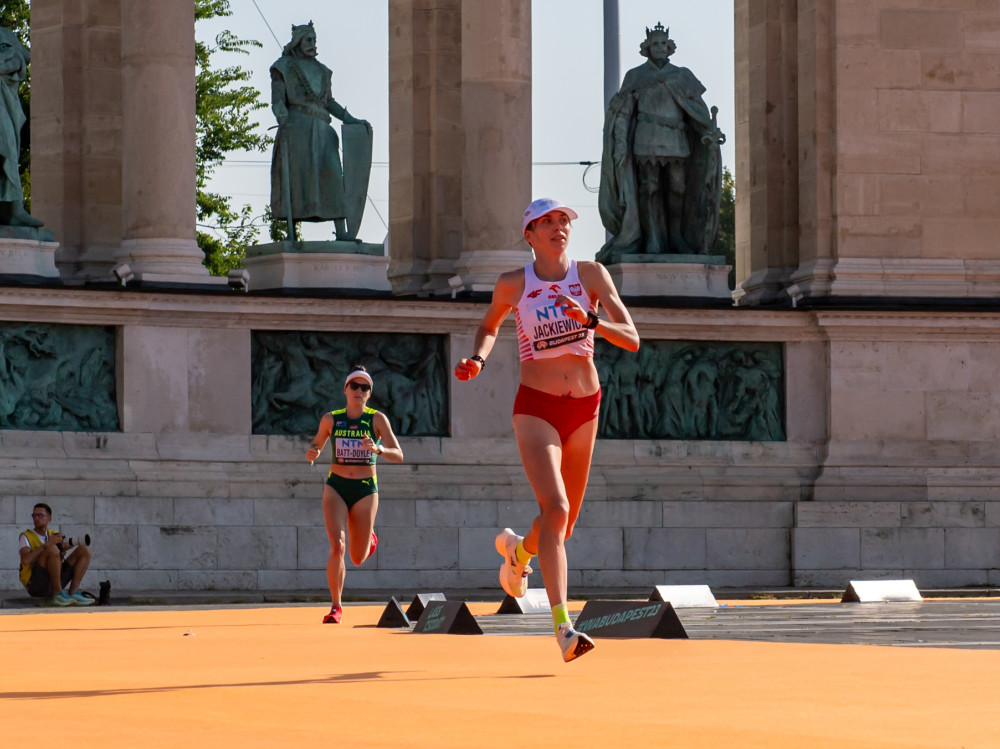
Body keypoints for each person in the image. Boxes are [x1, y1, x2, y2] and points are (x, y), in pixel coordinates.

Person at [454, 198, 640, 662]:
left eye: (564, 221)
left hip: (586, 408)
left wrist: (589, 319)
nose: (558, 228)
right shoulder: (514, 284)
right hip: (536, 409)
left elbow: (632, 339)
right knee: (554, 508)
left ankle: (518, 553)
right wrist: (478, 358)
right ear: (529, 235)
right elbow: (489, 326)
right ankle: (564, 628)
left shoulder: (592, 275)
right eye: (547, 222)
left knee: (563, 524)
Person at [598, 22, 724, 260]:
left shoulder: (682, 75)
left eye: (663, 44)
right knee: (650, 189)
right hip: (646, 139)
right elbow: (623, 113)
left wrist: (708, 131)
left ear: (669, 48)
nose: (659, 47)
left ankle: (676, 237)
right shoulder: (636, 76)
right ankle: (654, 239)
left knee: (678, 189)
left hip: (676, 139)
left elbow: (696, 110)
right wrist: (621, 145)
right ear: (647, 48)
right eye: (655, 44)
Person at [306, 365, 403, 624]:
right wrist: (313, 451)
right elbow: (317, 442)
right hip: (336, 486)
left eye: (365, 387)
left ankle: (369, 538)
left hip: (365, 490)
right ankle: (336, 606)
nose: (359, 391)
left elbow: (399, 454)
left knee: (357, 558)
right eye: (355, 386)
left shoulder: (377, 419)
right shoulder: (331, 419)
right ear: (345, 389)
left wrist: (378, 449)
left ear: (369, 393)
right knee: (337, 545)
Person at [270, 21, 371, 241]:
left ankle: (342, 231)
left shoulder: (323, 71)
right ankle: (291, 232)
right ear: (297, 42)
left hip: (324, 132)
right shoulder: (283, 67)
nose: (312, 44)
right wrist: (282, 116)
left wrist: (351, 119)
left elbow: (329, 102)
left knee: (333, 176)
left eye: (314, 40)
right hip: (296, 130)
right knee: (297, 179)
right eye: (308, 40)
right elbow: (277, 100)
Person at [0, 26, 43, 228]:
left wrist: (11, 58)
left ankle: (14, 210)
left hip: (4, 102)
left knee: (7, 145)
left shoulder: (5, 33)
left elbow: (22, 55)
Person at [17, 503, 93, 606]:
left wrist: (62, 551)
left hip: (52, 582)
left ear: (49, 519)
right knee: (51, 548)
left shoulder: (53, 534)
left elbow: (57, 562)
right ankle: (58, 594)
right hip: (36, 585)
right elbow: (25, 559)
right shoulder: (26, 536)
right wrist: (46, 545)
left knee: (84, 549)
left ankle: (73, 593)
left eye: (40, 515)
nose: (36, 518)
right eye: (34, 515)